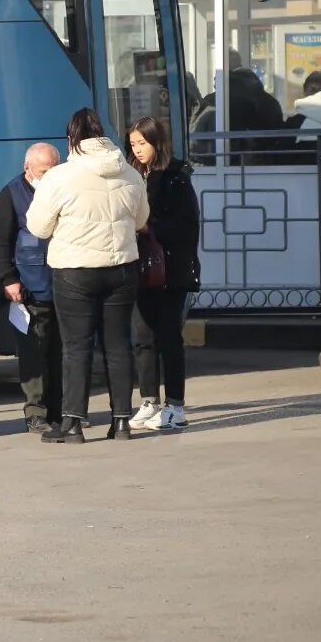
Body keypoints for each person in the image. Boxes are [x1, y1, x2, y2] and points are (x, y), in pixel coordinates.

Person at [26, 108, 149, 444]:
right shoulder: (130, 174)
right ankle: (122, 422)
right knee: (117, 346)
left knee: (76, 347)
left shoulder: (59, 177)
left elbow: (38, 226)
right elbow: (140, 221)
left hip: (74, 272)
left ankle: (73, 425)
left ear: (72, 139)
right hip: (122, 269)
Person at [125, 117, 201, 432]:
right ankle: (148, 400)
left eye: (143, 143)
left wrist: (149, 227)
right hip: (141, 269)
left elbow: (186, 226)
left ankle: (175, 406)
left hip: (170, 270)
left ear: (157, 142)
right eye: (132, 145)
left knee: (169, 337)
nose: (138, 150)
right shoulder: (131, 176)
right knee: (142, 337)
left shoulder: (175, 178)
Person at [0, 142, 63, 434]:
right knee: (33, 351)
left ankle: (61, 411)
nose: (49, 176)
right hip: (30, 287)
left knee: (61, 352)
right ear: (27, 168)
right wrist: (9, 279)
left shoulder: (62, 190)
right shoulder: (11, 194)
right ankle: (36, 412)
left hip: (64, 284)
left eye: (53, 170)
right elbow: (0, 240)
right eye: (44, 171)